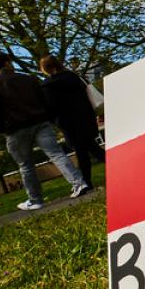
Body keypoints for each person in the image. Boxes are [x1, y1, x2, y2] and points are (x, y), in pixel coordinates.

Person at [0, 52, 91, 210]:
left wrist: (1, 128)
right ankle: (80, 184)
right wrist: (46, 116)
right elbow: (44, 100)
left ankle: (35, 200)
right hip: (40, 122)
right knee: (57, 154)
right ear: (6, 63)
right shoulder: (28, 78)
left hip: (15, 129)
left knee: (25, 165)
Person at [40, 55, 106, 189]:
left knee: (84, 152)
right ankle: (88, 181)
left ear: (47, 69)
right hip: (85, 117)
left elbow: (50, 108)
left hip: (68, 122)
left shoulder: (47, 85)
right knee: (90, 148)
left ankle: (87, 182)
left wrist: (54, 121)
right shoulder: (74, 77)